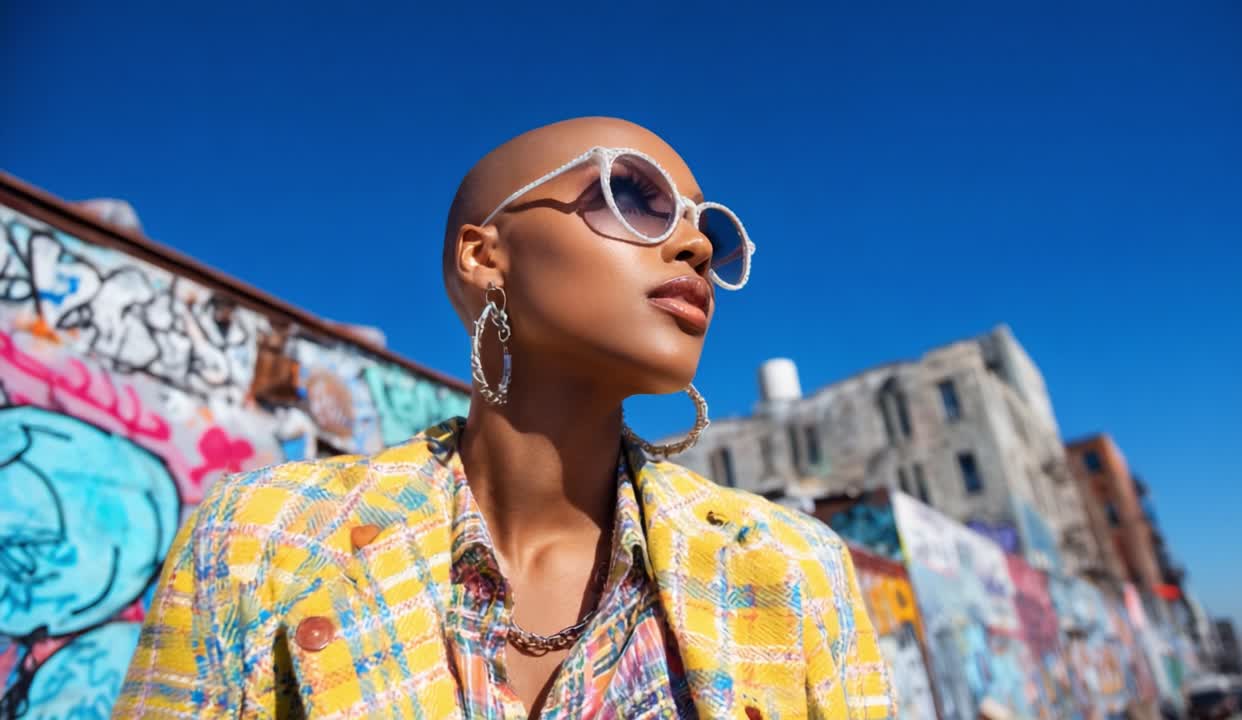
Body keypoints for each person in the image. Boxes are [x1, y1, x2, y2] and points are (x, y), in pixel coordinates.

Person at [114, 117, 893, 719]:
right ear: (484, 255)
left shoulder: (794, 567)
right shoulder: (261, 536)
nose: (693, 244)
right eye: (635, 196)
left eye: (708, 231)